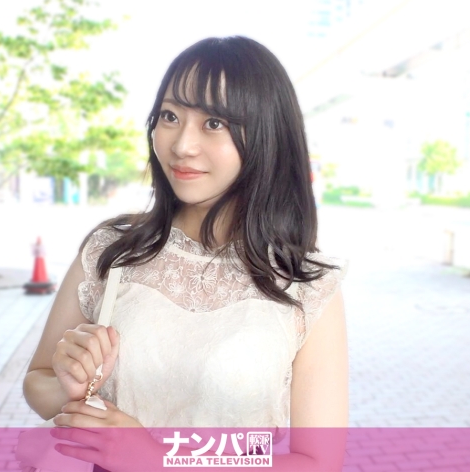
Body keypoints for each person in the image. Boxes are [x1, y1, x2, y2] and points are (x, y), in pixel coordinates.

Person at [23, 36, 348, 471]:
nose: (182, 145)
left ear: (266, 133)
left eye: (214, 123)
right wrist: (72, 385)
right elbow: (39, 382)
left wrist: (161, 460)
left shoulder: (306, 284)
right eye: (170, 116)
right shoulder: (113, 251)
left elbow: (317, 461)